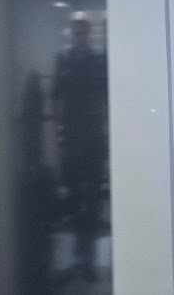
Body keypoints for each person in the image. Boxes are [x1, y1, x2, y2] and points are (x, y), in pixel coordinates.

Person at [53, 17, 108, 282]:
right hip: (71, 139)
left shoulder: (99, 60)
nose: (80, 36)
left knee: (92, 201)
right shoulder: (63, 59)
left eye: (84, 32)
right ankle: (76, 258)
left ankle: (87, 260)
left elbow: (107, 95)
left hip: (95, 138)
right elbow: (56, 96)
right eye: (76, 32)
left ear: (89, 34)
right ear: (71, 34)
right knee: (73, 200)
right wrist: (59, 133)